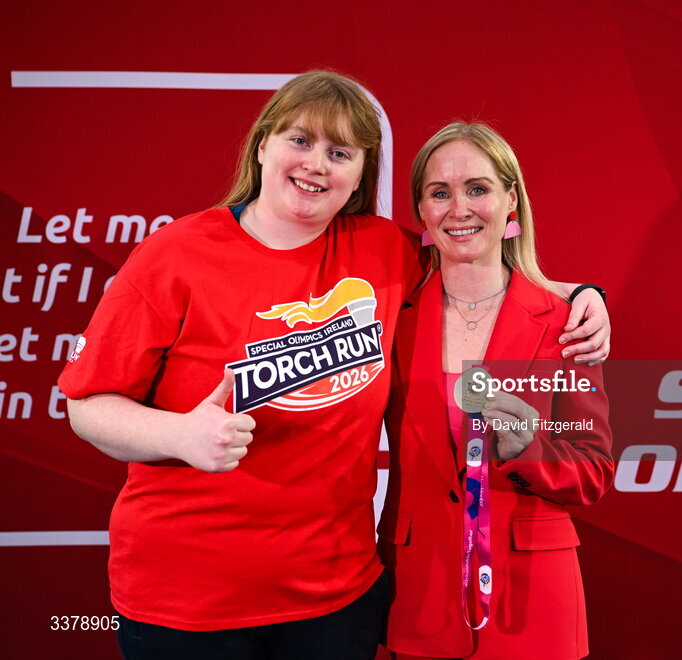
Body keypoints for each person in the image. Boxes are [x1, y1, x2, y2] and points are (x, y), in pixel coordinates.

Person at [58, 72, 609, 659]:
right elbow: (86, 406)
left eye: (339, 152)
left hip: (336, 600)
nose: (317, 164)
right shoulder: (175, 255)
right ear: (263, 145)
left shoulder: (382, 251)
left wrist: (581, 295)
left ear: (359, 175)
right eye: (300, 141)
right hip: (187, 603)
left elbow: (474, 255)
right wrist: (178, 434)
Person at [379, 122, 615, 659]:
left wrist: (528, 450)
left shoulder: (566, 324)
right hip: (417, 598)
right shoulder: (391, 320)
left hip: (532, 606)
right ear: (422, 210)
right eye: (440, 193)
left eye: (478, 189)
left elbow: (593, 471)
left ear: (512, 200)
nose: (459, 209)